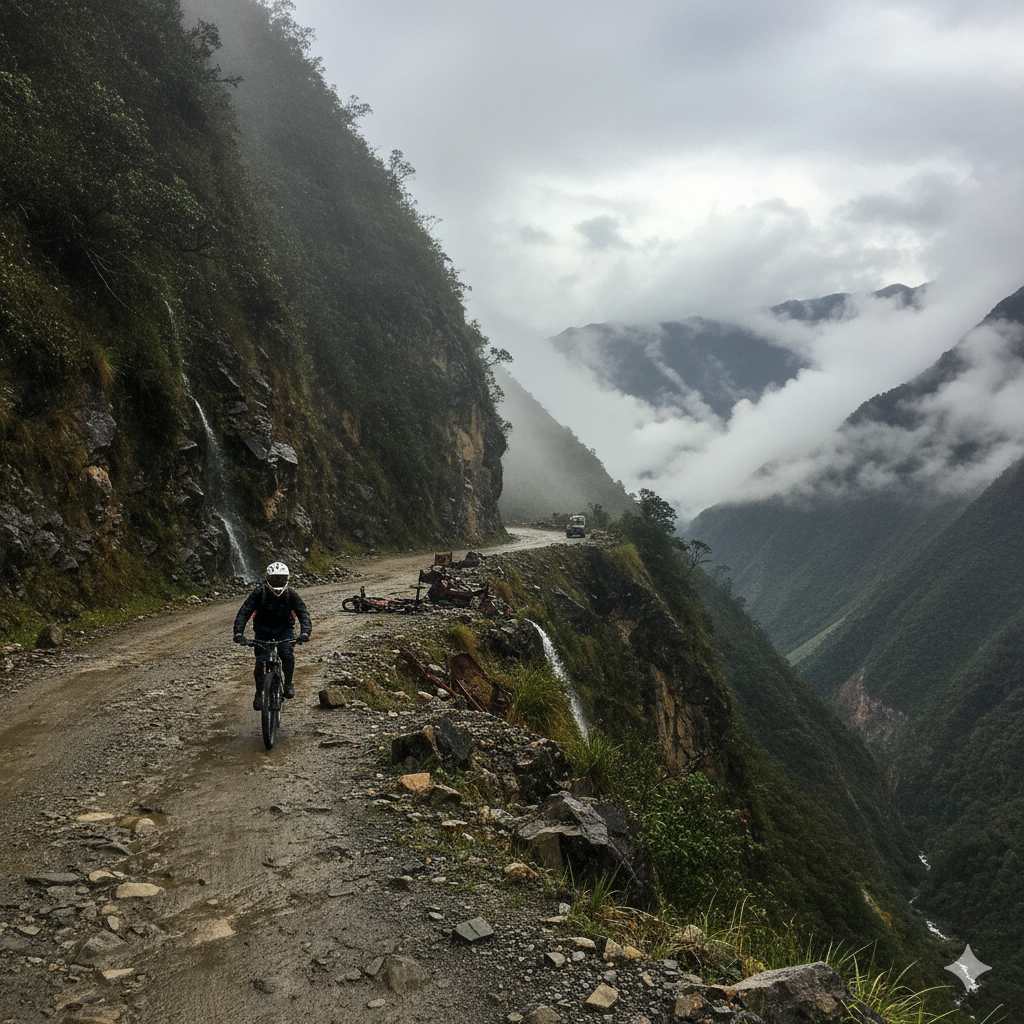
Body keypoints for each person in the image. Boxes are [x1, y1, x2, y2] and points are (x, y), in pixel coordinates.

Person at [233, 561, 311, 710]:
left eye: (281, 578)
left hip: (284, 630)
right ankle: (259, 692)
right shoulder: (259, 593)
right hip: (263, 630)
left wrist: (305, 632)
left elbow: (303, 613)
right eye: (275, 578)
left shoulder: (291, 594)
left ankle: (288, 683)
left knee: (287, 654)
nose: (278, 582)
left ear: (286, 579)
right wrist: (238, 633)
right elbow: (244, 612)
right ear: (268, 578)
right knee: (260, 661)